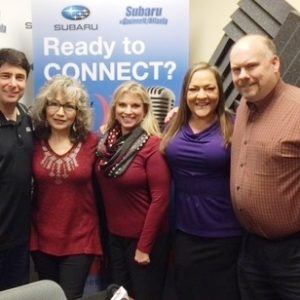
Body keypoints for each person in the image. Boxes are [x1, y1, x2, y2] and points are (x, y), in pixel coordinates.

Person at [160, 62, 242, 300]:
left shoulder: (235, 125)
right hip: (184, 231)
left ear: (220, 92)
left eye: (209, 88)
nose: (201, 96)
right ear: (185, 93)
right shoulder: (172, 124)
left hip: (226, 234)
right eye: (194, 89)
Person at [230, 34, 300, 300]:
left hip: (292, 254)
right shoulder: (244, 108)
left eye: (251, 66)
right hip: (251, 248)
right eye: (236, 69)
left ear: (275, 63)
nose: (243, 75)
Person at [95, 81, 171, 300]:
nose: (128, 111)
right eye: (122, 105)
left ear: (145, 110)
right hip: (114, 239)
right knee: (118, 296)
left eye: (135, 106)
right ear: (115, 108)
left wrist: (144, 247)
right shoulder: (105, 145)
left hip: (145, 242)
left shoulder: (152, 145)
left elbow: (160, 199)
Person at [30, 75, 102, 300]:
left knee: (71, 297)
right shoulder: (33, 142)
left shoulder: (93, 143)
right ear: (45, 107)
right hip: (42, 239)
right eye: (54, 104)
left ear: (78, 112)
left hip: (80, 239)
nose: (60, 113)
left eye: (69, 106)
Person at [0, 48, 33, 290]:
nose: (13, 84)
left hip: (20, 240)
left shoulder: (26, 117)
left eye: (19, 77)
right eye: (5, 76)